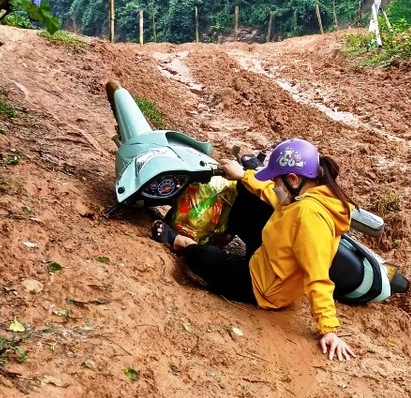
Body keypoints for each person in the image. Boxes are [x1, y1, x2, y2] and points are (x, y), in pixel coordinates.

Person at [150, 138, 356, 361]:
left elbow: (318, 276)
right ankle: (225, 235)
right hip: (271, 254)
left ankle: (180, 242)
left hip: (263, 287)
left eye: (278, 181)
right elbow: (273, 195)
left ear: (293, 179)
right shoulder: (310, 192)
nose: (276, 186)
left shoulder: (309, 216)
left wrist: (329, 330)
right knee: (247, 194)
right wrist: (243, 176)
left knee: (204, 258)